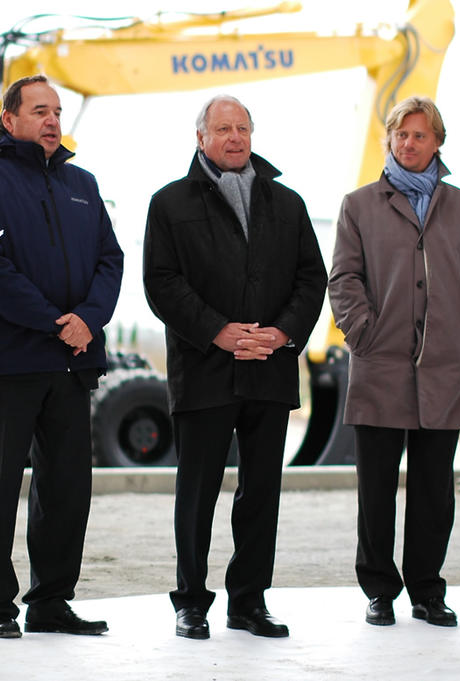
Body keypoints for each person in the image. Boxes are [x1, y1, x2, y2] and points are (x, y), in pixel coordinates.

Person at [143, 94, 327, 640]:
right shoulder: (169, 203)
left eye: (242, 128)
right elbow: (162, 282)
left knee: (261, 493)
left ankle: (248, 602)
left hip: (269, 367)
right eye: (222, 128)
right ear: (200, 138)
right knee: (197, 492)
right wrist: (218, 331)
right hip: (204, 368)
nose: (235, 137)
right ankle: (190, 602)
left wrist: (282, 333)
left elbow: (311, 277)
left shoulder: (287, 202)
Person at [0, 75, 123, 640]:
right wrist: (56, 323)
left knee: (66, 489)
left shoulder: (82, 183)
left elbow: (110, 259)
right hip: (7, 360)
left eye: (57, 112)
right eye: (40, 111)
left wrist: (88, 320)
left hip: (73, 360)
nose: (52, 121)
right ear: (10, 119)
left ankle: (51, 602)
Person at [329, 96, 460, 629]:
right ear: (390, 140)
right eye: (401, 134)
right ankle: (379, 590)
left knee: (433, 490)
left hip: (444, 367)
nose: (409, 143)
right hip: (379, 364)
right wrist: (363, 332)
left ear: (438, 142)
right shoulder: (359, 205)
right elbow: (343, 278)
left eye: (420, 135)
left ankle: (427, 590)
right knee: (375, 489)